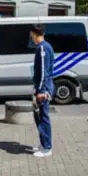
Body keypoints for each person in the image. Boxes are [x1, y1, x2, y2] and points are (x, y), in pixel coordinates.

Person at [30, 24, 55, 158]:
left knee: (43, 118)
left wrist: (41, 90)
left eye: (31, 35)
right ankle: (43, 143)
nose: (31, 37)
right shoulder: (47, 46)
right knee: (39, 117)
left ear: (34, 34)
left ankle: (47, 148)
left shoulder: (42, 48)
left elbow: (43, 71)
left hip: (43, 89)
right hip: (43, 87)